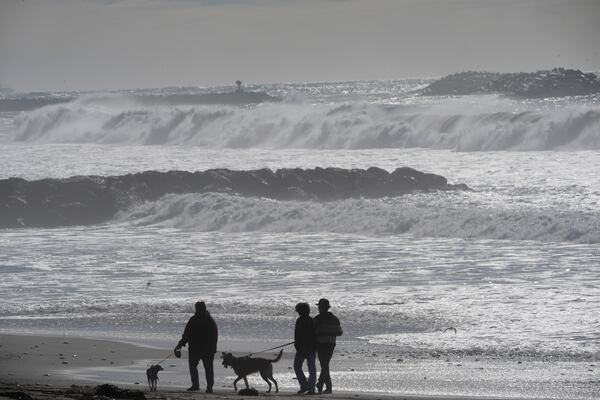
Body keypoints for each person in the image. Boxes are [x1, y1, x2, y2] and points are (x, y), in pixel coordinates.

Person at [174, 301, 218, 393]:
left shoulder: (195, 320)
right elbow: (215, 335)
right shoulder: (209, 320)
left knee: (197, 367)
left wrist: (179, 345)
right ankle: (206, 387)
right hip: (205, 349)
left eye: (197, 308)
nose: (197, 310)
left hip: (197, 349)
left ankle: (197, 385)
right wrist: (179, 345)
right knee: (208, 368)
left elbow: (186, 335)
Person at [313, 298, 342, 394]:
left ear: (321, 307)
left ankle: (328, 387)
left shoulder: (317, 319)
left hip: (321, 344)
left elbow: (313, 332)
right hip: (331, 344)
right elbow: (339, 332)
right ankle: (320, 384)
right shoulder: (335, 319)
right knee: (325, 365)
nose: (318, 308)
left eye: (319, 307)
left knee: (324, 365)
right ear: (328, 307)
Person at [294, 302, 317, 395]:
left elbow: (298, 334)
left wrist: (298, 345)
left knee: (297, 367)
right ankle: (310, 388)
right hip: (311, 347)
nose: (298, 313)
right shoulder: (312, 320)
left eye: (299, 311)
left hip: (304, 347)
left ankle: (305, 386)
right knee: (311, 368)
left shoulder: (300, 320)